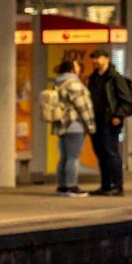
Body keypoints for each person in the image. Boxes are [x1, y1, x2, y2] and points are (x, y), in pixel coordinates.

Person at [40, 57, 95, 197]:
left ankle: (62, 186)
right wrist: (90, 125)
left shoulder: (59, 82)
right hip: (75, 125)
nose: (79, 68)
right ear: (72, 69)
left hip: (62, 125)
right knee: (73, 157)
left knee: (64, 157)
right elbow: (82, 106)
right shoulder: (74, 84)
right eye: (77, 66)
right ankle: (71, 186)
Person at [85, 49, 132, 197]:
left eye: (98, 57)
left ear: (106, 59)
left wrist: (118, 115)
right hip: (96, 121)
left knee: (111, 152)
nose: (95, 61)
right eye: (93, 58)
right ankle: (106, 185)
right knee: (100, 153)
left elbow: (127, 100)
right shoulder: (93, 78)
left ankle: (117, 185)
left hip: (110, 121)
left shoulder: (115, 78)